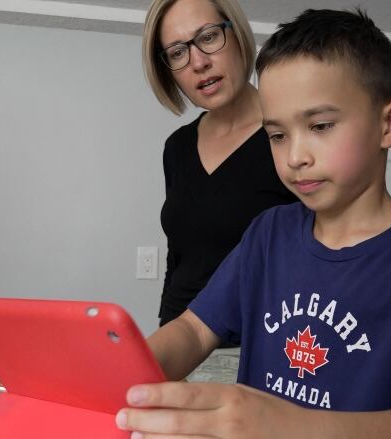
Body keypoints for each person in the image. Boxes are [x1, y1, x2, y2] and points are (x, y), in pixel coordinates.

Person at [118, 8, 391, 438]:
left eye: (320, 125)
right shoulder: (268, 233)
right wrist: (122, 375)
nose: (295, 156)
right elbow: (192, 329)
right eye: (277, 136)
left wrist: (281, 424)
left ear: (388, 124)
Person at [142, 0, 297, 329]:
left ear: (237, 35)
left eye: (209, 37)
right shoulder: (178, 146)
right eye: (177, 52)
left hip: (257, 346)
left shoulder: (288, 133)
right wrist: (164, 338)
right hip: (177, 337)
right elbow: (179, 256)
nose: (198, 62)